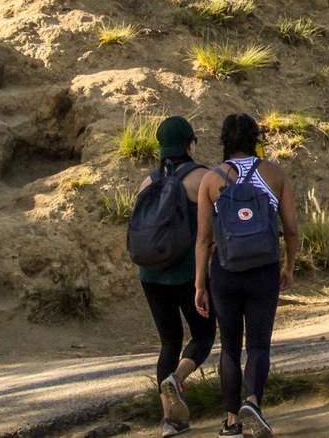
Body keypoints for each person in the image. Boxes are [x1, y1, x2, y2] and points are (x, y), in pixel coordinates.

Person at [195, 114, 300, 438]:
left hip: (225, 272)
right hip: (263, 271)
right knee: (258, 345)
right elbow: (292, 229)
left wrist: (200, 283)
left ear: (224, 140)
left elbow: (203, 238)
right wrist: (289, 266)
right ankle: (252, 401)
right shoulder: (274, 173)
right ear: (256, 138)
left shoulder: (211, 179)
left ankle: (231, 422)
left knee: (229, 348)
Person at [137, 116, 217, 438]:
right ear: (190, 144)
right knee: (203, 336)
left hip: (150, 274)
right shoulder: (201, 178)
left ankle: (170, 420)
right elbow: (214, 230)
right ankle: (178, 379)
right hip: (186, 273)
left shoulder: (147, 182)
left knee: (168, 341)